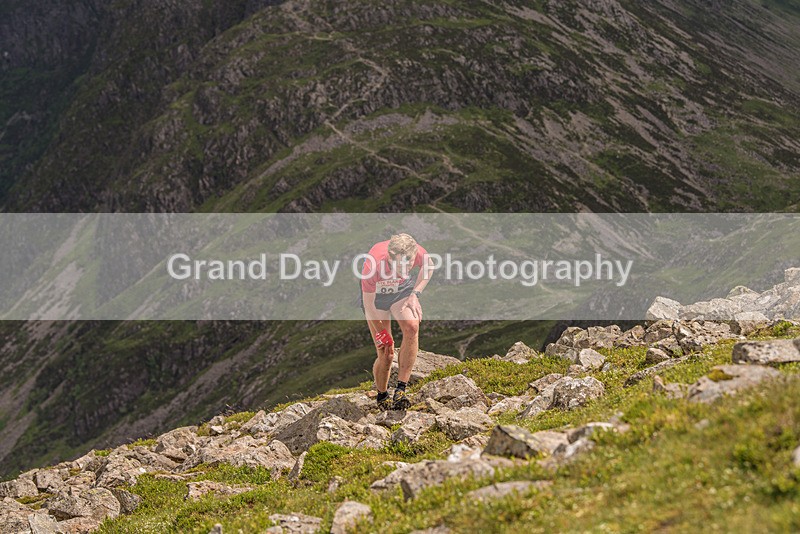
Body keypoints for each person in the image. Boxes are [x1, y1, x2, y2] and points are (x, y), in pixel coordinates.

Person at [358, 233, 435, 411]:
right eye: (399, 265)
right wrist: (382, 333)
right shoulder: (373, 265)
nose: (405, 268)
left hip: (400, 290)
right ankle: (382, 394)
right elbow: (369, 306)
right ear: (390, 257)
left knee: (412, 327)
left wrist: (415, 294)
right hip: (376, 300)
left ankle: (401, 389)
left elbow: (428, 267)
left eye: (409, 264)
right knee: (386, 353)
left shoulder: (417, 252)